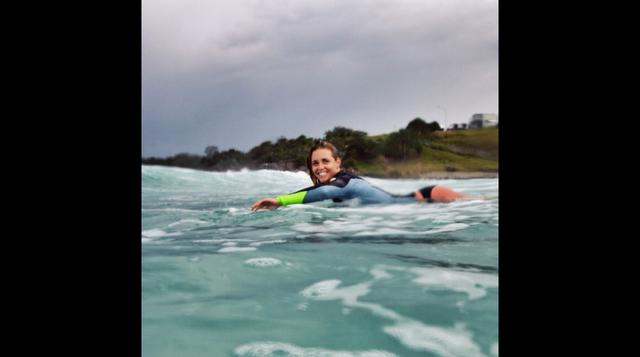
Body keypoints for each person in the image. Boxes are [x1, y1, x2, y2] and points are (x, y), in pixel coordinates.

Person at [251, 140, 466, 211]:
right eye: (315, 163)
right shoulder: (338, 183)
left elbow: (324, 191)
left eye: (325, 161)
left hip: (428, 198)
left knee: (483, 204)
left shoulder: (344, 182)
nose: (319, 167)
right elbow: (315, 191)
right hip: (419, 203)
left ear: (338, 162)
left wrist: (280, 201)